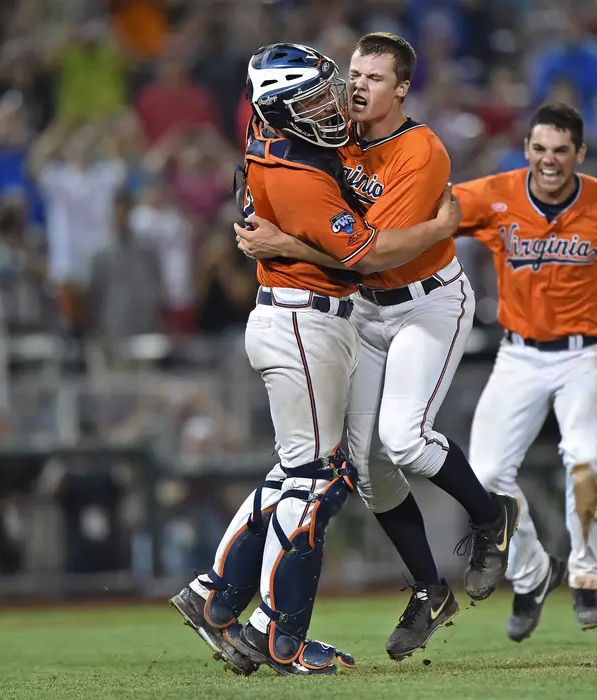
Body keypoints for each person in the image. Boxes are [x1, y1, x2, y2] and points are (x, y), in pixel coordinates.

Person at [169, 43, 461, 677]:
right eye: (313, 98)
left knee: (293, 472)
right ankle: (280, 635)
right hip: (305, 318)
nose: (329, 105)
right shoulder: (299, 173)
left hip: (290, 313)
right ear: (281, 108)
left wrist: (286, 241)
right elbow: (367, 255)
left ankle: (215, 595)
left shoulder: (267, 135)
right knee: (316, 481)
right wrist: (439, 232)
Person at [235, 33, 520, 662]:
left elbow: (374, 255)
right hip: (366, 312)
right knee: (365, 468)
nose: (356, 86)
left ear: (401, 89)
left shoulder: (420, 150)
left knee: (404, 439)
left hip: (427, 302)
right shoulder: (336, 133)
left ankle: (488, 516)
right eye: (353, 74)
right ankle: (428, 590)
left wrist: (285, 245)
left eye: (373, 77)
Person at [452, 103, 597, 639]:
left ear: (580, 153)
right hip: (517, 353)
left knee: (585, 461)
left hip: (585, 354)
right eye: (539, 149)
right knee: (486, 477)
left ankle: (586, 580)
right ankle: (533, 574)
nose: (549, 160)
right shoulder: (497, 193)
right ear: (527, 150)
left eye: (561, 150)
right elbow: (435, 210)